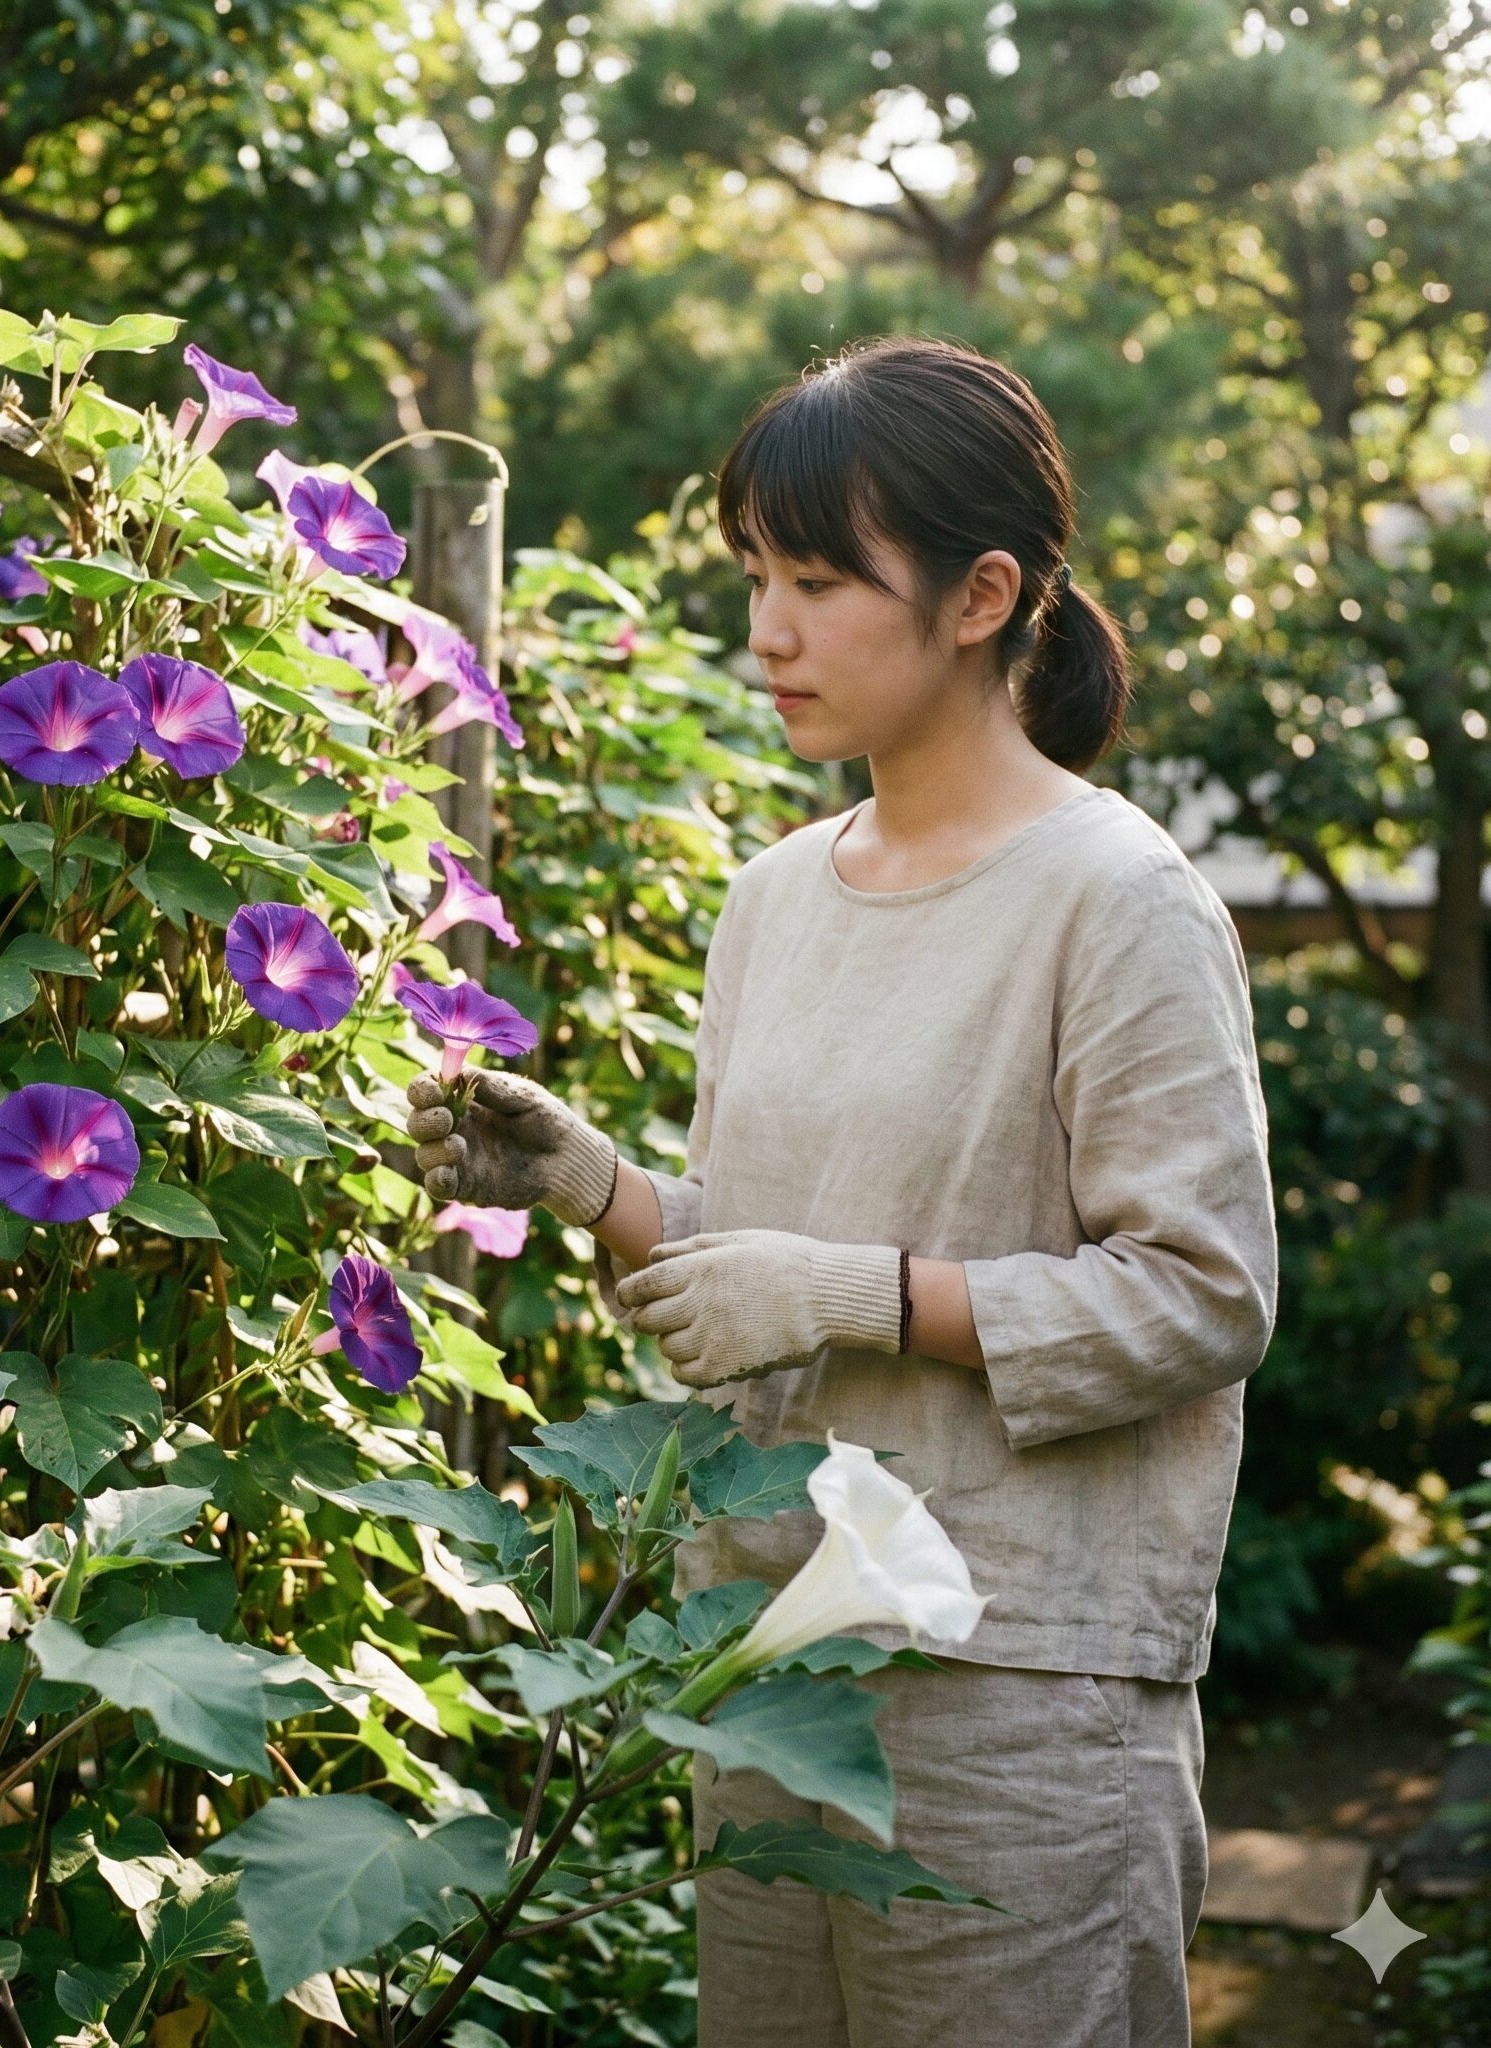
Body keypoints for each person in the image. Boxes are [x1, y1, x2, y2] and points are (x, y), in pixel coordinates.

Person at [404, 335, 1279, 2047]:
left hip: (1017, 1694)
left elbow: (1205, 1293)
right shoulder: (775, 900)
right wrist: (598, 1188)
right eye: (754, 577)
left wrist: (863, 1290)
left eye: (818, 580)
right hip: (769, 1671)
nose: (770, 633)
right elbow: (760, 1278)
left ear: (983, 597)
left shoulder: (1119, 901)